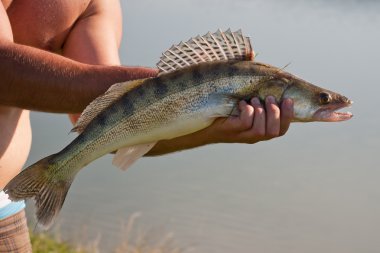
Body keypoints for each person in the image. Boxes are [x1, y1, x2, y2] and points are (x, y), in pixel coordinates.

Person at [0, 0, 294, 251]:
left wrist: (216, 127)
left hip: (7, 213)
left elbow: (122, 132)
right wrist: (176, 88)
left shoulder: (96, 4)